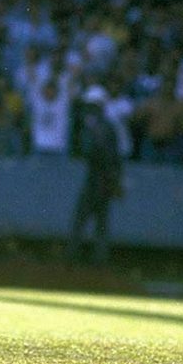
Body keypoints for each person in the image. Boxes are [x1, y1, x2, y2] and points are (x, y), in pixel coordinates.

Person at [65, 87, 123, 265]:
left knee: (83, 220)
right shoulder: (106, 126)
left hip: (97, 178)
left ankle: (76, 258)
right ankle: (97, 259)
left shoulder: (97, 126)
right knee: (99, 223)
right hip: (104, 179)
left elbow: (93, 151)